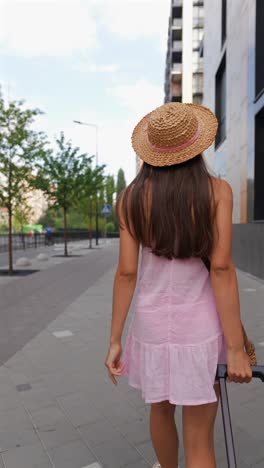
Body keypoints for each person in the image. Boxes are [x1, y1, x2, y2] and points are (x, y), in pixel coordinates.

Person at [104, 102, 252, 468]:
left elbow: (126, 273)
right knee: (200, 439)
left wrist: (115, 339)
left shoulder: (131, 199)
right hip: (200, 326)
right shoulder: (217, 191)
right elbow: (220, 268)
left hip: (151, 326)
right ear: (197, 145)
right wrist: (235, 347)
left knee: (160, 409)